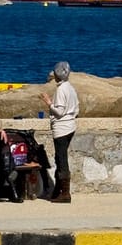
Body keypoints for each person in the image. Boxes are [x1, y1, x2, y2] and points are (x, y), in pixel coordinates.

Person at [41, 62, 79, 204]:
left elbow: (60, 111)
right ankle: (58, 190)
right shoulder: (70, 88)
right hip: (70, 126)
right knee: (59, 158)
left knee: (61, 159)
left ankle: (65, 193)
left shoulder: (62, 89)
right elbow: (76, 109)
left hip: (62, 128)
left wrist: (49, 103)